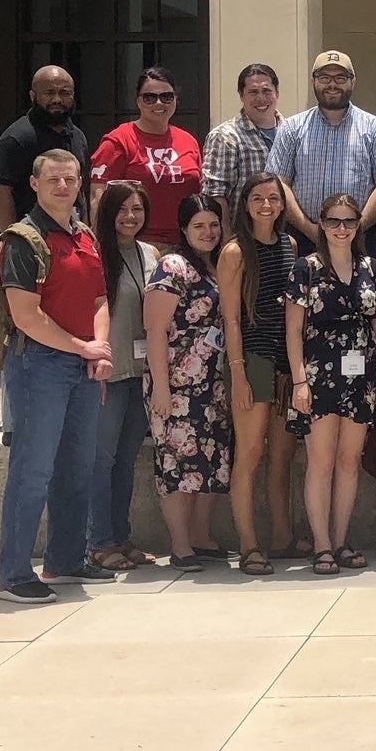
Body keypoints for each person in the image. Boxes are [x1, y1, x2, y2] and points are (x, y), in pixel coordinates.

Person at [0, 149, 111, 604]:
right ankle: (14, 575)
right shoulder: (23, 240)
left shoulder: (83, 235)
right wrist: (83, 347)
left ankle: (65, 559)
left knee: (77, 467)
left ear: (81, 183)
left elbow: (100, 298)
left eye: (70, 179)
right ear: (35, 183)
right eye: (54, 179)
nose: (63, 187)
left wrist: (98, 350)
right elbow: (26, 315)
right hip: (38, 365)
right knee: (32, 471)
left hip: (82, 364)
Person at [286, 191, 376, 576]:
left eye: (349, 221)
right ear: (322, 225)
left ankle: (341, 539)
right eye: (334, 221)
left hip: (361, 375)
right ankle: (322, 545)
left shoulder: (373, 269)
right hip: (318, 375)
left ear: (358, 225)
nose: (341, 228)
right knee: (321, 462)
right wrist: (300, 381)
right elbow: (294, 330)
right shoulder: (306, 268)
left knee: (350, 462)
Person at [218, 170, 302, 574]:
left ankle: (282, 538)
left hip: (287, 360)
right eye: (258, 198)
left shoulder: (289, 243)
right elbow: (230, 319)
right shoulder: (235, 251)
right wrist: (237, 374)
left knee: (283, 455)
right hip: (253, 358)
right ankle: (249, 544)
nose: (266, 205)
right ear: (245, 204)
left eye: (273, 198)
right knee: (250, 453)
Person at [144, 193, 232, 569]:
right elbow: (155, 329)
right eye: (199, 226)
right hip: (176, 384)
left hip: (212, 384)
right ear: (183, 229)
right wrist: (161, 388)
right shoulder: (173, 267)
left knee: (208, 459)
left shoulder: (217, 266)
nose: (208, 232)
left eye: (213, 225)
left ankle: (200, 535)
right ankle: (180, 545)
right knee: (176, 463)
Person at [86, 181, 157, 573]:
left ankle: (121, 535)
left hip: (141, 374)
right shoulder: (94, 255)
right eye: (122, 209)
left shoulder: (149, 254)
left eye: (138, 209)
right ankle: (98, 542)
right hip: (107, 375)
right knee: (102, 459)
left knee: (126, 460)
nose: (130, 217)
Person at [269, 51, 376, 250]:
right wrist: (309, 229)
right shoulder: (292, 128)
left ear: (353, 82)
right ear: (313, 81)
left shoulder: (375, 128)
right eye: (324, 78)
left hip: (358, 237)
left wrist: (353, 229)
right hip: (303, 237)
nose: (332, 84)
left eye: (340, 78)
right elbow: (279, 182)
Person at [89, 65, 202, 247]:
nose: (159, 103)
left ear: (175, 100)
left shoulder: (188, 141)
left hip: (187, 245)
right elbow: (98, 199)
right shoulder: (118, 141)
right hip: (136, 246)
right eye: (149, 97)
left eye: (166, 96)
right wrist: (102, 247)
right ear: (138, 101)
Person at [0, 65, 88, 231]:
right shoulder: (17, 137)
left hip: (70, 235)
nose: (57, 99)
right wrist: (14, 237)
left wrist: (85, 233)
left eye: (64, 93)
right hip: (31, 236)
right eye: (49, 93)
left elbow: (82, 191)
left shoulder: (78, 137)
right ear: (33, 96)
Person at [200, 64, 283, 224]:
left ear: (277, 92)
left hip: (285, 236)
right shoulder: (225, 136)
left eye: (266, 91)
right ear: (241, 95)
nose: (261, 98)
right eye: (253, 92)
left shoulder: (292, 132)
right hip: (242, 236)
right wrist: (226, 239)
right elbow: (216, 194)